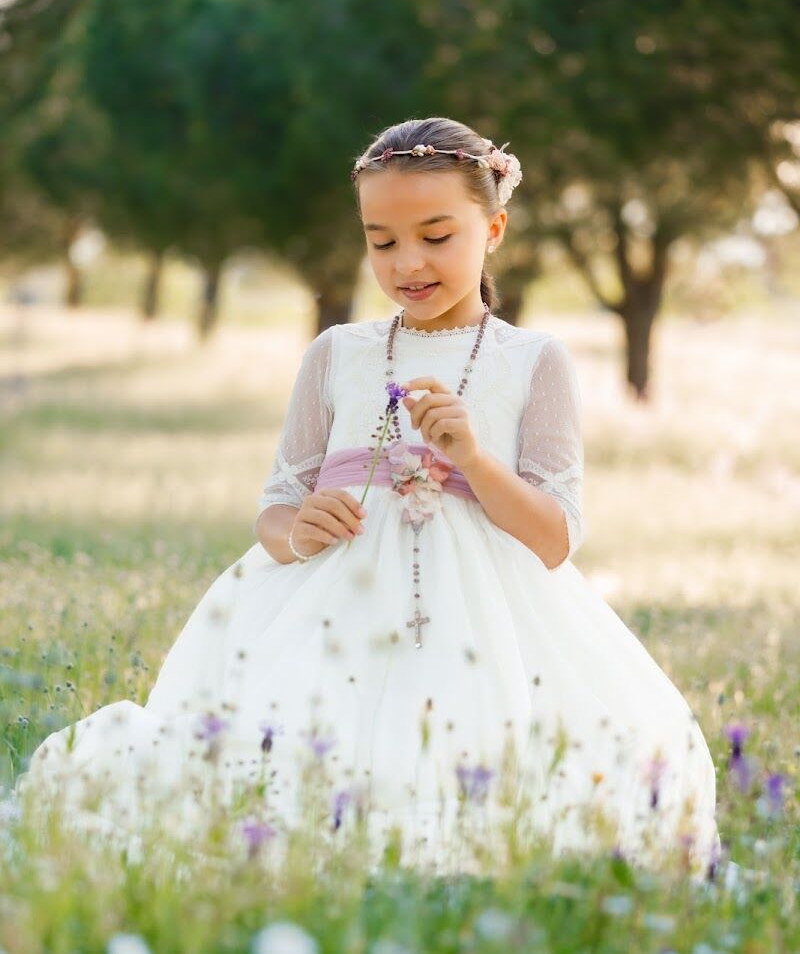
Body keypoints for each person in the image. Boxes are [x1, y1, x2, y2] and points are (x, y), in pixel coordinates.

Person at [15, 116, 721, 881]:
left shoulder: (534, 361)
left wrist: (475, 461)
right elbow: (280, 502)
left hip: (486, 613)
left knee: (486, 766)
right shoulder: (337, 354)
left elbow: (555, 538)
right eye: (381, 241)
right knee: (288, 757)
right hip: (334, 602)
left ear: (494, 227)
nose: (407, 262)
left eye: (435, 235)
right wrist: (298, 528)